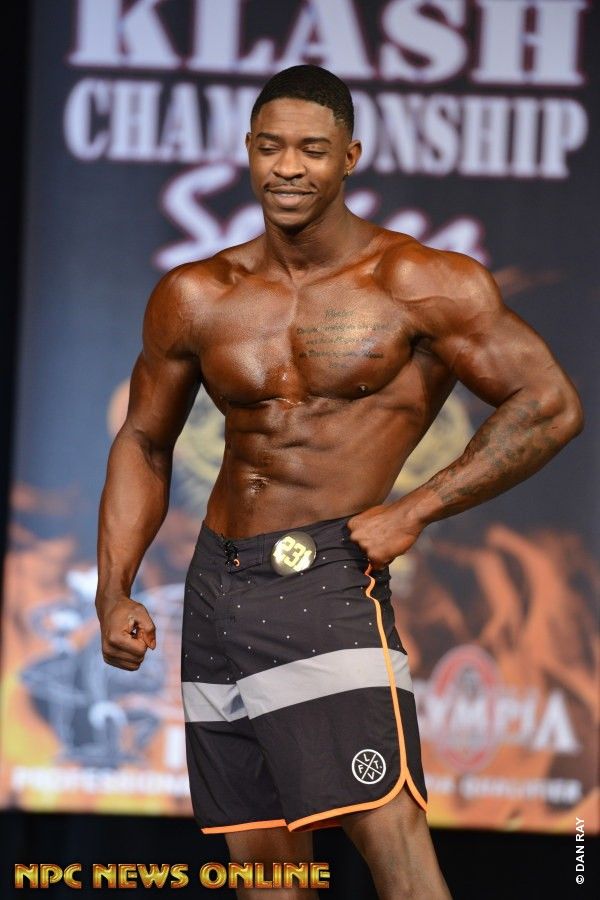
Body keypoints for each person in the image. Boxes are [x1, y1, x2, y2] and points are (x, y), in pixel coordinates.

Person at [95, 65, 583, 899]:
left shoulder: (417, 283)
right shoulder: (197, 294)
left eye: (312, 150)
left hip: (324, 576)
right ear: (247, 152)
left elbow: (549, 405)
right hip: (215, 587)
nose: (289, 167)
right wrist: (114, 591)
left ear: (349, 157)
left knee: (393, 847)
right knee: (264, 869)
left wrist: (418, 509)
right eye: (271, 147)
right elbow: (143, 439)